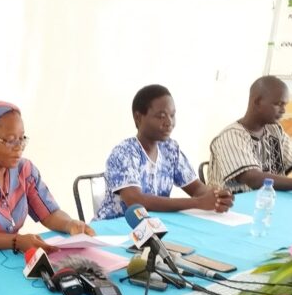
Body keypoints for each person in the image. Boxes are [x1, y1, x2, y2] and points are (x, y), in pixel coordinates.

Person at [0, 101, 94, 253]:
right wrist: (16, 241)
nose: (19, 147)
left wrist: (70, 224)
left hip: (9, 255)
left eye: (21, 139)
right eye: (10, 140)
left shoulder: (25, 170)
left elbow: (49, 213)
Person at [96, 85, 234, 219]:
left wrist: (217, 197)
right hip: (115, 226)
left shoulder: (170, 149)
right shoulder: (124, 153)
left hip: (154, 225)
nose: (169, 122)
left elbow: (197, 189)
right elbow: (136, 201)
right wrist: (198, 203)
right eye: (161, 116)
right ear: (138, 118)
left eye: (172, 115)